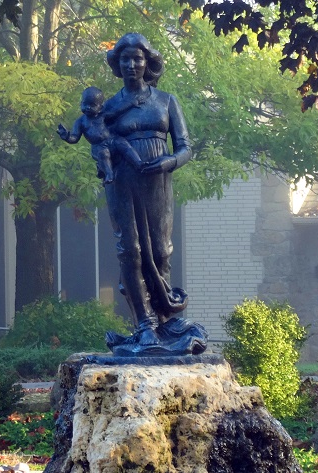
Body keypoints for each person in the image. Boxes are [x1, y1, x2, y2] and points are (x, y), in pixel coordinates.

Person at [98, 33, 206, 355]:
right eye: (125, 59)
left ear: (148, 62)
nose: (131, 65)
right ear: (117, 64)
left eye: (137, 59)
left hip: (157, 182)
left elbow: (186, 147)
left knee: (160, 251)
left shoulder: (166, 100)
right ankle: (144, 324)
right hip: (122, 181)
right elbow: (98, 143)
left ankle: (164, 317)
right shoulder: (109, 107)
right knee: (129, 251)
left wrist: (168, 162)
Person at [57, 86, 145, 184]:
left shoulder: (102, 116)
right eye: (85, 104)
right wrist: (67, 137)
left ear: (100, 107)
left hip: (112, 140)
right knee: (104, 154)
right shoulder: (80, 122)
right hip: (98, 146)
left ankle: (139, 163)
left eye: (92, 105)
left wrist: (131, 104)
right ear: (81, 104)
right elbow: (75, 137)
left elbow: (117, 111)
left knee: (124, 145)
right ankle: (108, 174)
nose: (88, 107)